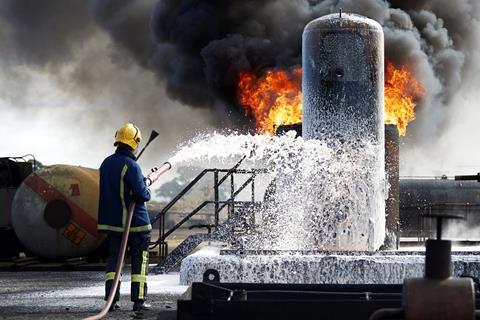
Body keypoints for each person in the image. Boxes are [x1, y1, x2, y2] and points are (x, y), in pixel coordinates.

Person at [97, 123, 152, 312]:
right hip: (136, 224)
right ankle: (139, 301)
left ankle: (111, 301)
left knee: (114, 262)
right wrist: (146, 186)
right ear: (135, 142)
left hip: (113, 225)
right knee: (140, 261)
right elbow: (141, 195)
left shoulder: (106, 163)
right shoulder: (131, 166)